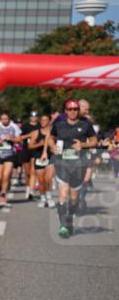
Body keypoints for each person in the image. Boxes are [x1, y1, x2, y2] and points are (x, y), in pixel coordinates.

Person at [50, 98, 97, 238]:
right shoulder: (59, 125)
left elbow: (95, 141)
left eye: (75, 109)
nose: (72, 112)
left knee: (74, 198)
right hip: (62, 163)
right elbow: (51, 137)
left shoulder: (86, 124)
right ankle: (63, 225)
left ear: (78, 110)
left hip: (79, 165)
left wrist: (83, 145)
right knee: (63, 193)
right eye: (69, 109)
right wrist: (52, 146)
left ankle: (69, 218)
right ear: (65, 111)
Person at [0, 110, 22, 208]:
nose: (4, 121)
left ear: (9, 119)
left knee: (6, 175)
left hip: (10, 154)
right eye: (2, 119)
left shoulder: (14, 127)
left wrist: (11, 139)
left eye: (6, 119)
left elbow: (19, 139)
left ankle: (3, 195)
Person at [28, 113, 56, 208]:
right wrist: (39, 144)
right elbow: (30, 146)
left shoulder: (54, 132)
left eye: (45, 120)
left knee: (48, 178)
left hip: (51, 158)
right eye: (42, 120)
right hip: (39, 158)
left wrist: (54, 148)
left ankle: (49, 197)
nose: (43, 122)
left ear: (49, 121)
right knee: (41, 181)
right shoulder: (36, 133)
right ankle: (43, 198)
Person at [19, 111, 41, 200]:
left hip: (36, 149)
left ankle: (31, 191)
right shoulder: (25, 126)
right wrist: (30, 135)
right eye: (32, 116)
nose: (34, 117)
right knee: (27, 172)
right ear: (30, 117)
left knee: (33, 171)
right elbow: (20, 137)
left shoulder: (40, 126)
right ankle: (28, 188)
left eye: (35, 116)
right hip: (26, 149)